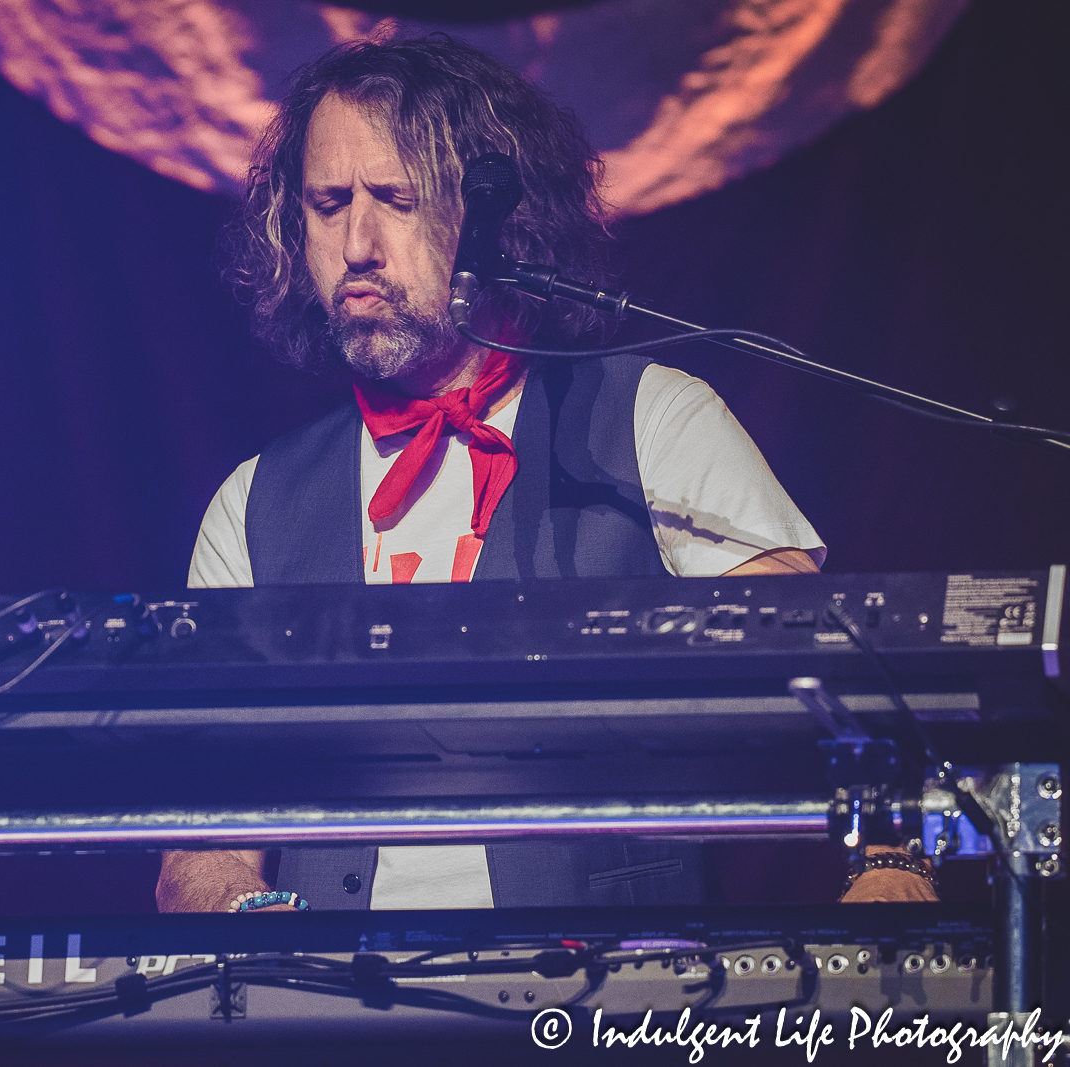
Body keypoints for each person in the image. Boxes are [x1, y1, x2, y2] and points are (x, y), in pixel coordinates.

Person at [159, 35, 935, 913]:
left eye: (396, 200)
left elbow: (839, 680)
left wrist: (889, 856)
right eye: (328, 204)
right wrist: (235, 910)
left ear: (494, 218)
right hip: (339, 1003)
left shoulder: (651, 418)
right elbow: (202, 830)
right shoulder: (254, 503)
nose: (358, 243)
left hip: (609, 999)